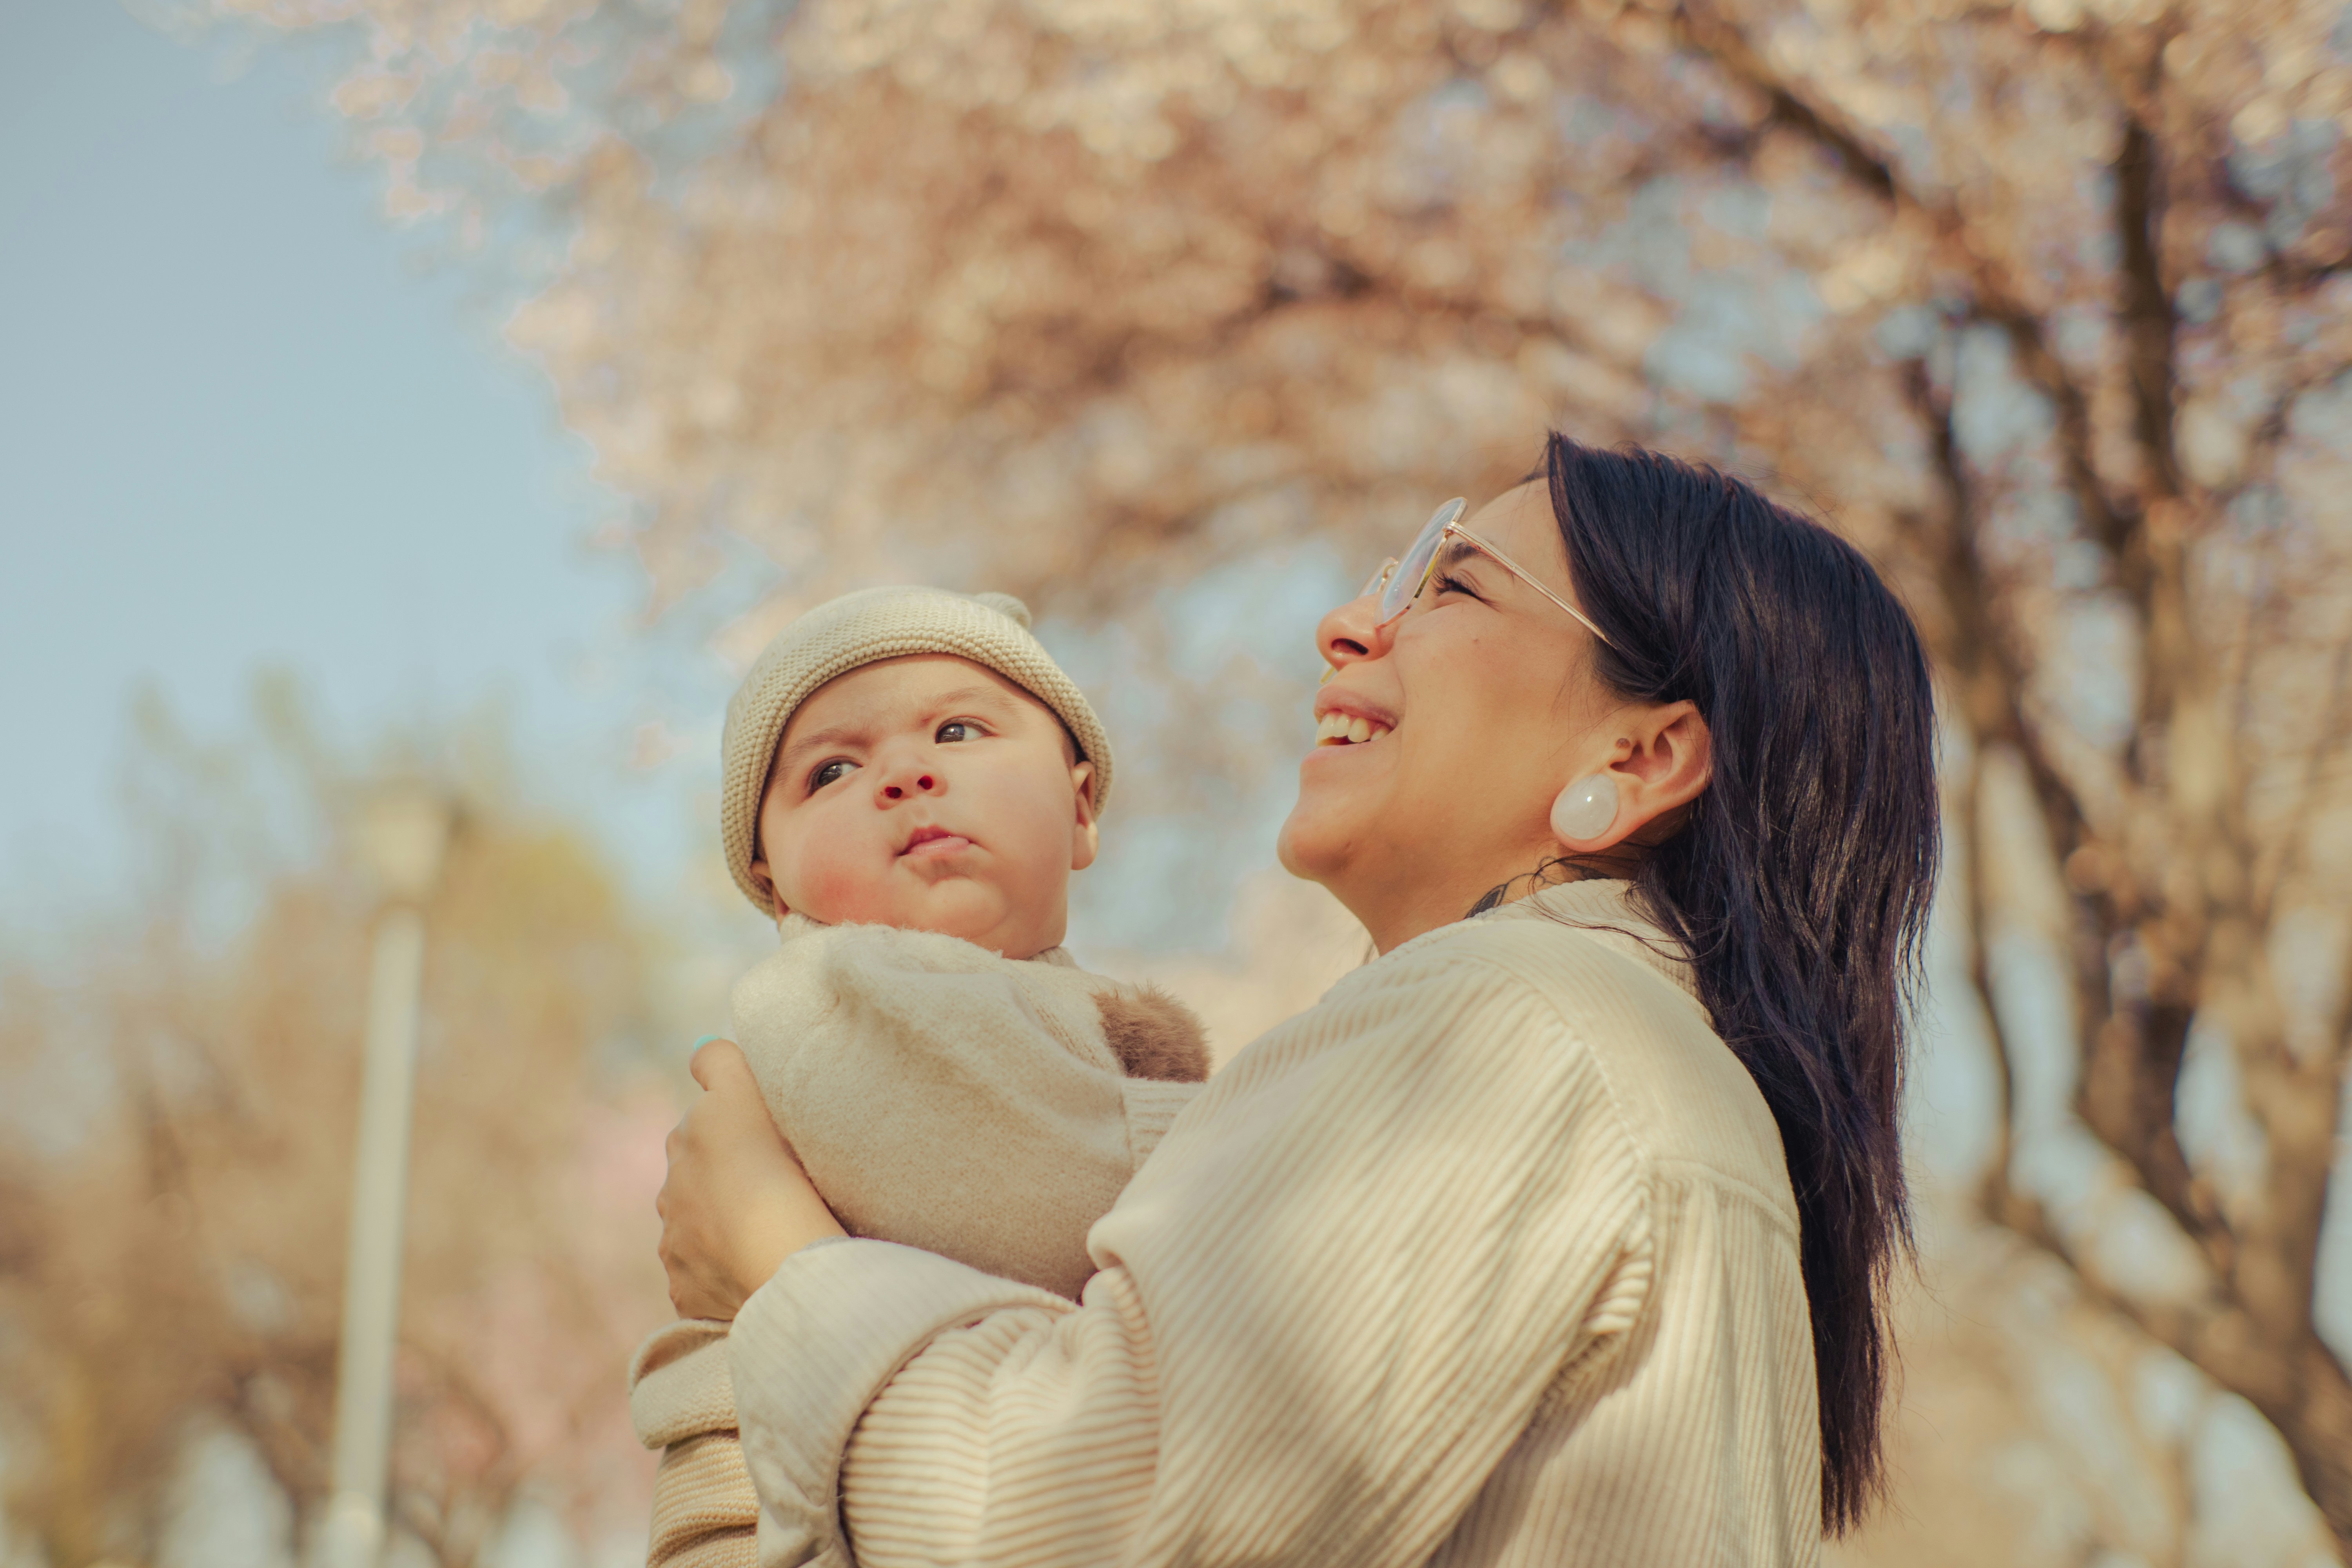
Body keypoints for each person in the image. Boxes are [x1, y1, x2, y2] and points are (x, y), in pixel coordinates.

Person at [656, 434, 1941, 1566]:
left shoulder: (1514, 1031)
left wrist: (778, 1256)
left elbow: (1083, 1524)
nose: (1347, 622)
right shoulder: (1645, 1060)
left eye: (1454, 583)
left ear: (1640, 755)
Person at [636, 586, 1209, 1568]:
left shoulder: (1048, 1000)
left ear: (1079, 807)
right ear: (776, 885)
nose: (903, 773)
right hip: (787, 1513)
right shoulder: (836, 994)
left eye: (956, 728)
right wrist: (1227, 1141)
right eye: (830, 770)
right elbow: (1028, 1197)